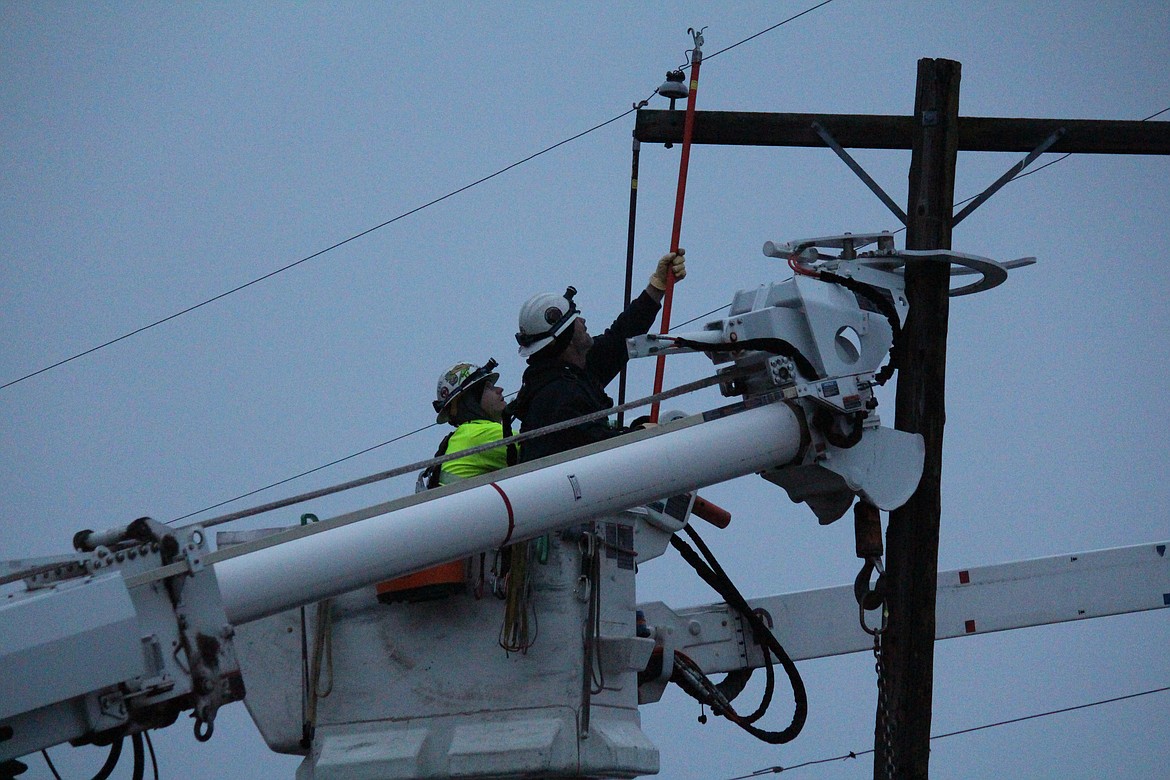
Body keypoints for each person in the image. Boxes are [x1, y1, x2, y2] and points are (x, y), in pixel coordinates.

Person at [508, 249, 686, 463]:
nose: (583, 323)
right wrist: (639, 434)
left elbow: (621, 336)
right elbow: (592, 447)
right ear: (565, 339)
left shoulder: (571, 374)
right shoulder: (558, 395)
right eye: (575, 320)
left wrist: (657, 286)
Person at [420, 358, 510, 489]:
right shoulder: (480, 433)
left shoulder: (462, 437)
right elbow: (539, 447)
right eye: (488, 387)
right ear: (471, 400)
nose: (499, 389)